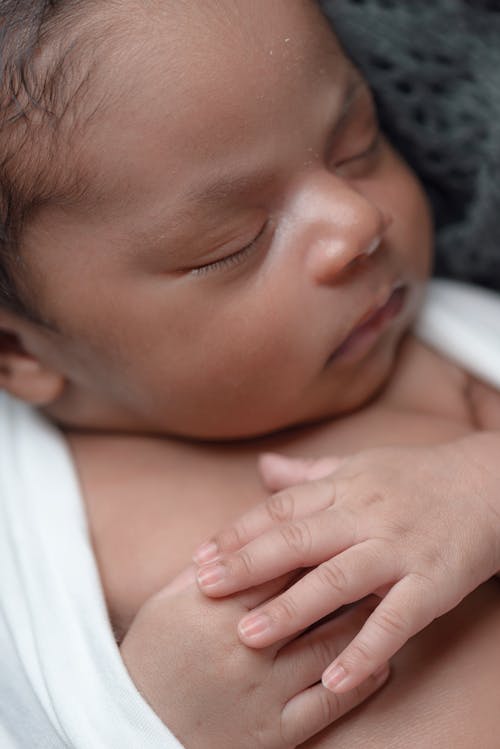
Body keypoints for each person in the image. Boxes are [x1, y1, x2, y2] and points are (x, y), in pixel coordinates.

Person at [1, 0, 500, 747]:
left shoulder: (449, 345)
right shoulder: (21, 548)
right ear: (22, 354)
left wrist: (479, 489)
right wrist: (154, 727)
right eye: (232, 242)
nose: (358, 222)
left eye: (357, 144)